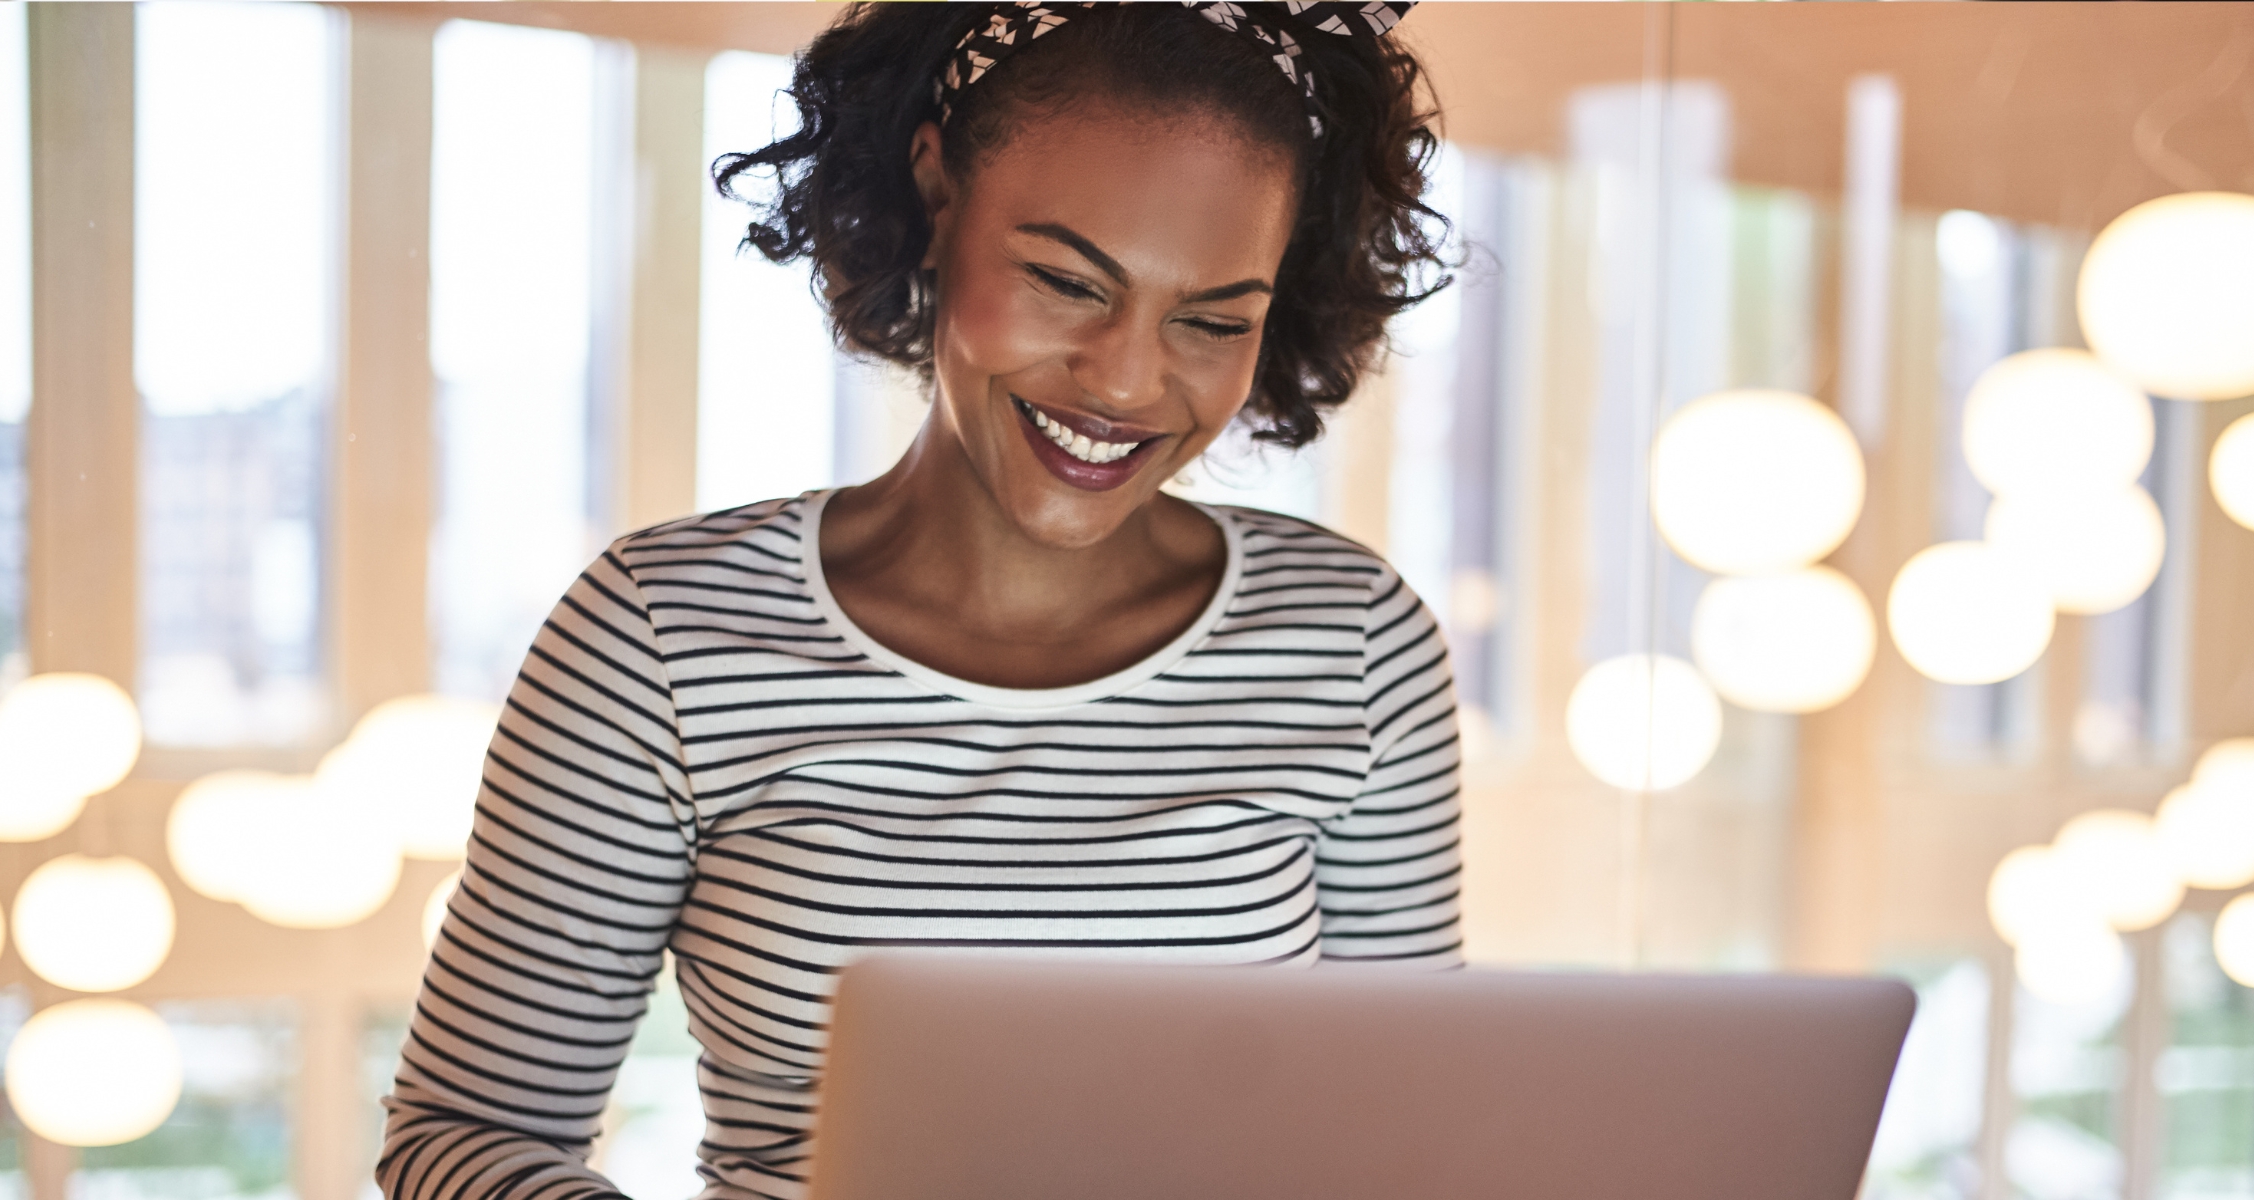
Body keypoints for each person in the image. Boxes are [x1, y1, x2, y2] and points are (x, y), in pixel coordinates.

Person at [377, 4, 1460, 1195]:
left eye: (1213, 319)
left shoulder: (1353, 640)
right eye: (1065, 280)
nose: (1126, 381)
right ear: (938, 195)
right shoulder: (662, 634)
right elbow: (465, 1135)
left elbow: (1401, 1129)